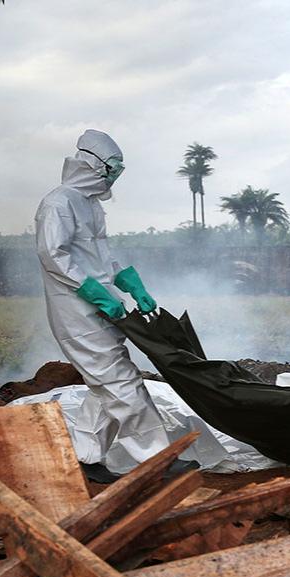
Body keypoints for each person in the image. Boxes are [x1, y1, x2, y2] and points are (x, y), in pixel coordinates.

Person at [35, 129, 179, 479]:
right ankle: (157, 460)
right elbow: (52, 255)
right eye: (112, 166)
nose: (116, 173)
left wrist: (130, 283)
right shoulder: (58, 203)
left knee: (105, 388)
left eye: (119, 167)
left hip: (101, 307)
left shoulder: (91, 205)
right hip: (76, 312)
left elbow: (101, 258)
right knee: (122, 382)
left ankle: (86, 457)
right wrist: (97, 294)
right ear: (91, 162)